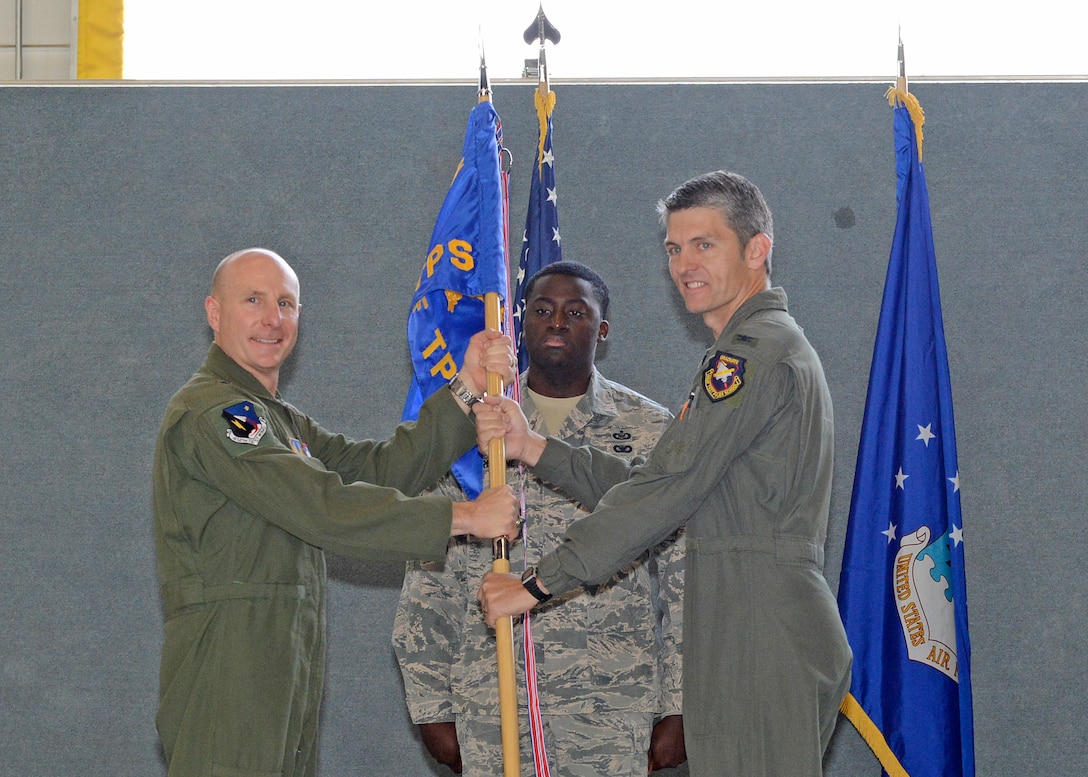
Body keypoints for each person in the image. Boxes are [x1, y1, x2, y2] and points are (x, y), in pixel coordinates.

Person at [477, 172, 853, 777]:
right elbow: (659, 481)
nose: (685, 264)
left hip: (757, 627)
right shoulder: (756, 347)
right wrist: (535, 448)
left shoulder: (752, 354)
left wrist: (538, 584)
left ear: (757, 250)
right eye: (674, 248)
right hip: (744, 618)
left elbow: (667, 490)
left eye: (705, 244)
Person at [152, 247, 519, 777]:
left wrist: (464, 389)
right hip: (228, 660)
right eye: (252, 300)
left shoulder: (277, 420)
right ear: (214, 312)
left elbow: (379, 470)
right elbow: (321, 506)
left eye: (286, 303)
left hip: (279, 653)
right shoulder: (217, 413)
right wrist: (463, 518)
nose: (271, 319)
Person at [393, 261, 687, 776]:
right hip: (493, 697)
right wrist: (431, 707)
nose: (556, 322)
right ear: (520, 325)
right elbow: (429, 569)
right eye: (542, 311)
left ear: (603, 329)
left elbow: (685, 575)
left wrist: (682, 703)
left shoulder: (647, 427)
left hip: (611, 705)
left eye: (576, 312)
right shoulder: (474, 425)